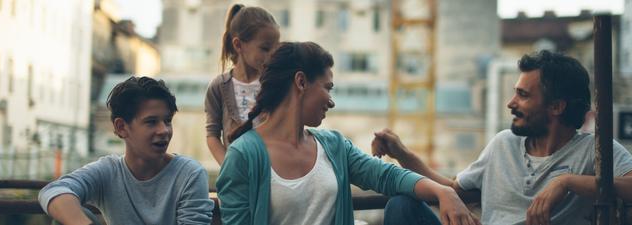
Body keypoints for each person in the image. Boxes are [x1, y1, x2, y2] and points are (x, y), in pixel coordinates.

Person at [373, 50, 632, 225]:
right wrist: (403, 155)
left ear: (556, 106)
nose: (510, 103)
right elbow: (454, 191)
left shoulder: (593, 151)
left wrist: (567, 182)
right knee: (401, 205)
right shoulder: (503, 144)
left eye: (523, 95)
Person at [215, 42, 479, 225]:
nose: (331, 101)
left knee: (402, 205)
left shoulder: (334, 146)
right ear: (301, 82)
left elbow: (387, 176)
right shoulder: (243, 156)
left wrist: (445, 193)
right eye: (328, 88)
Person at [38, 76, 214, 224]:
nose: (164, 130)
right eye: (151, 122)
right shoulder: (109, 171)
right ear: (121, 127)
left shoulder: (189, 173)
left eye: (167, 120)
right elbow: (54, 190)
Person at [205, 4, 280, 165]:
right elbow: (212, 135)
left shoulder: (276, 84)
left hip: (272, 172)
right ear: (238, 45)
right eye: (265, 49)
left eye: (276, 49)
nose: (272, 56)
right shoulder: (218, 87)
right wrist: (229, 167)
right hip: (237, 179)